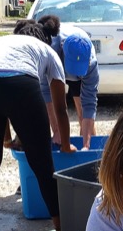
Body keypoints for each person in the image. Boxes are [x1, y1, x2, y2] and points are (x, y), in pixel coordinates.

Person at [0, 18, 75, 231]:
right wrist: (65, 145)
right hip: (20, 86)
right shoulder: (48, 51)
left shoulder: (3, 42)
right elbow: (60, 108)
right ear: (45, 38)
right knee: (42, 164)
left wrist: (6, 139)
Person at [42, 17, 99, 150]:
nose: (75, 74)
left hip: (79, 70)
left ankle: (89, 149)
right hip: (58, 66)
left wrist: (86, 146)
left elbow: (90, 103)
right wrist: (57, 131)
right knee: (59, 106)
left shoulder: (91, 63)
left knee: (82, 111)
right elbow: (47, 94)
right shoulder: (51, 51)